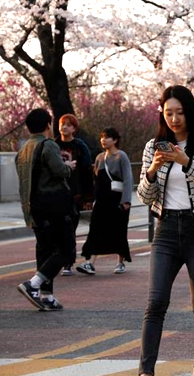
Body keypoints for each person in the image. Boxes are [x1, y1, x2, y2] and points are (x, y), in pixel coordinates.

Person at [137, 85, 194, 376]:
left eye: (180, 112)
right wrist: (152, 171)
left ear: (189, 112)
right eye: (168, 113)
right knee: (155, 303)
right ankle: (145, 372)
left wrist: (186, 162)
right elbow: (144, 197)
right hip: (165, 230)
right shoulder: (154, 146)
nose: (174, 119)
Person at [15, 108, 76, 311]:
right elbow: (59, 171)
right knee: (66, 251)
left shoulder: (23, 150)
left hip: (35, 207)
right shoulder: (48, 145)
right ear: (48, 125)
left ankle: (46, 295)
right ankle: (32, 284)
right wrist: (70, 166)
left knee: (45, 250)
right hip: (55, 205)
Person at [75, 128, 133, 275]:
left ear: (114, 140)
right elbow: (97, 180)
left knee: (119, 230)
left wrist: (126, 200)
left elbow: (128, 179)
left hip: (117, 200)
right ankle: (89, 263)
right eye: (102, 137)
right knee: (95, 229)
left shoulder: (122, 156)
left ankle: (120, 262)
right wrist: (92, 199)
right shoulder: (99, 158)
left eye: (107, 137)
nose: (103, 140)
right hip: (102, 200)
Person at [55, 113, 94, 276]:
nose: (65, 127)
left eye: (69, 125)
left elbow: (87, 172)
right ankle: (56, 261)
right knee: (57, 229)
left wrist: (88, 197)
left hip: (75, 194)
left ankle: (68, 263)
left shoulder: (80, 146)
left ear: (74, 128)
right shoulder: (52, 144)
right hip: (56, 193)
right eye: (62, 124)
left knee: (70, 229)